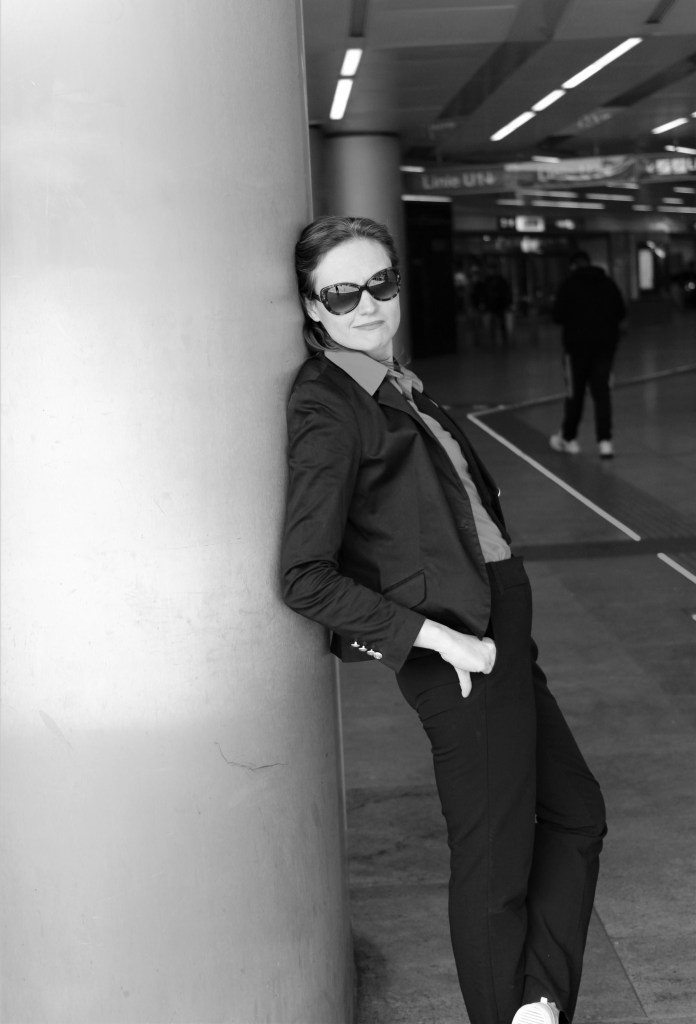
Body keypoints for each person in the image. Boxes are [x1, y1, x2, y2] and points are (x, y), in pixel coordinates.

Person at [281, 216, 606, 1024]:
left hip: (498, 626)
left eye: (380, 283)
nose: (367, 304)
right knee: (494, 861)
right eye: (341, 293)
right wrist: (440, 640)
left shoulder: (395, 381)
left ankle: (534, 1004)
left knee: (576, 812)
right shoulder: (330, 403)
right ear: (313, 307)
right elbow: (304, 575)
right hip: (458, 650)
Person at [550, 251, 626, 459]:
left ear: (573, 266)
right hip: (604, 349)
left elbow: (557, 315)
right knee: (602, 394)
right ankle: (605, 442)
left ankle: (569, 438)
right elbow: (621, 312)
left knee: (575, 394)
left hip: (576, 350)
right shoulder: (608, 284)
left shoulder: (569, 285)